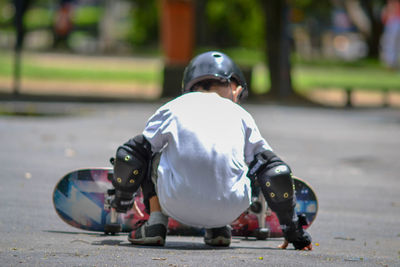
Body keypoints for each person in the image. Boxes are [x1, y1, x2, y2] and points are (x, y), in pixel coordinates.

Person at [111, 51, 312, 250]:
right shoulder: (241, 115)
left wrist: (122, 199)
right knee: (254, 162)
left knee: (150, 150)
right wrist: (294, 232)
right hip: (230, 210)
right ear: (235, 88)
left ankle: (155, 223)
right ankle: (218, 229)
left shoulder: (174, 107)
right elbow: (276, 173)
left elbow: (130, 156)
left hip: (175, 202)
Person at [381, 0, 400, 69]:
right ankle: (393, 63)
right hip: (394, 21)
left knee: (391, 44)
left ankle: (391, 64)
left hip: (394, 21)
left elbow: (391, 8)